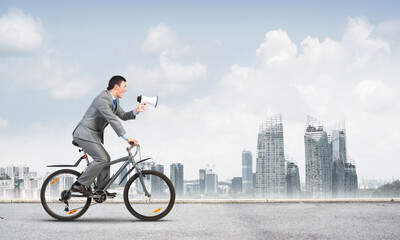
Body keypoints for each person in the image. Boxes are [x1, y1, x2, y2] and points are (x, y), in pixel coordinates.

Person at [70, 75, 146, 196]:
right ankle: (79, 184)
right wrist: (126, 138)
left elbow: (123, 116)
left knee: (106, 159)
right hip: (84, 134)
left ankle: (101, 189)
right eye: (124, 86)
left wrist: (136, 111)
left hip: (92, 135)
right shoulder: (103, 99)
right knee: (102, 158)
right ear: (116, 87)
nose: (125, 89)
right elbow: (112, 119)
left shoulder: (114, 100)